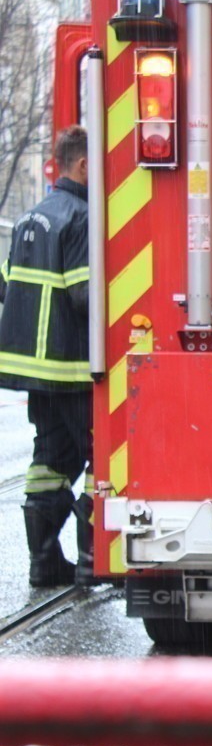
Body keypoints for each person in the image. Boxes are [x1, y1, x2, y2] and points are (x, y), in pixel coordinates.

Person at [0, 126, 96, 587]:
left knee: (51, 458)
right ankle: (94, 560)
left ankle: (44, 562)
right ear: (82, 166)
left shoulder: (27, 220)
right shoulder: (81, 217)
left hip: (30, 372)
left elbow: (5, 283)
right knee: (104, 457)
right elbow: (84, 296)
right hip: (70, 368)